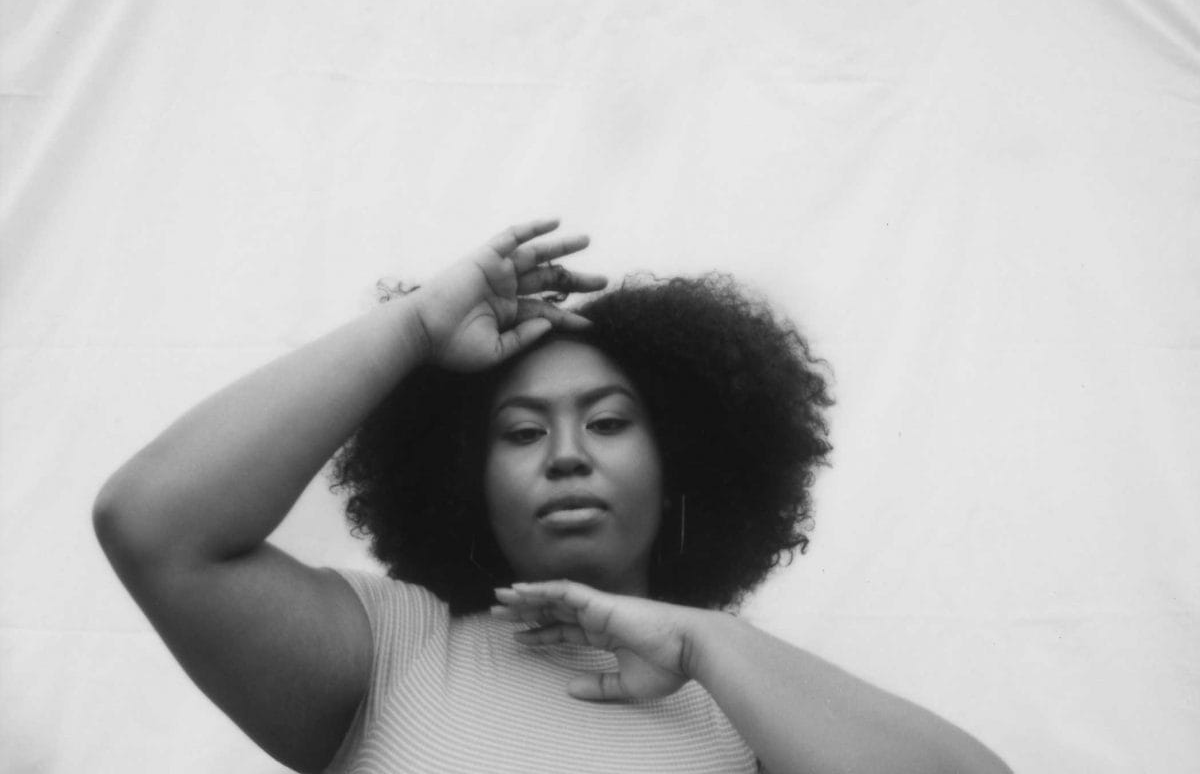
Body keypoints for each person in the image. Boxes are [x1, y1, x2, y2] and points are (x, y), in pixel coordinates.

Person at [94, 219, 1011, 773]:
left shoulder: (746, 700)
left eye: (607, 423)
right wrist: (415, 328)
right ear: (467, 480)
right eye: (523, 432)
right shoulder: (391, 654)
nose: (566, 455)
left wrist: (704, 641)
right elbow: (153, 525)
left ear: (678, 462)